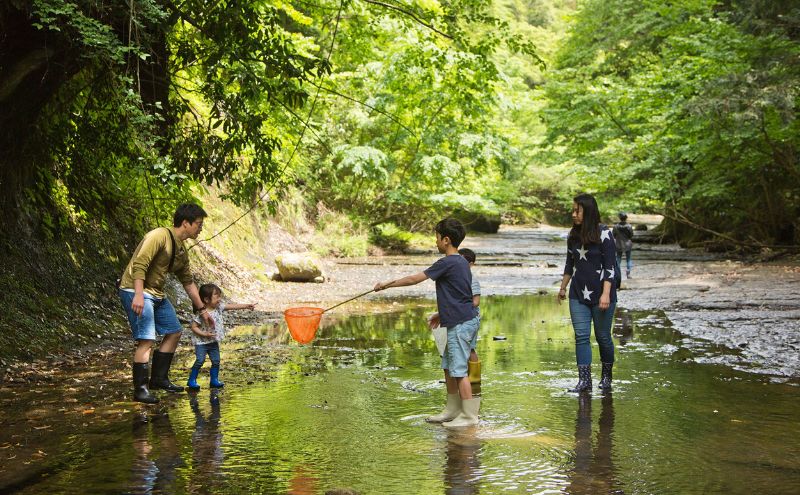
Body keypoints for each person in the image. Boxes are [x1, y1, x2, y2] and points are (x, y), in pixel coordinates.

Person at [374, 218, 480, 427]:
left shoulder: (447, 262)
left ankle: (469, 416)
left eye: (437, 238)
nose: (435, 242)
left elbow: (415, 279)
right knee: (449, 366)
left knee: (458, 369)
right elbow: (460, 295)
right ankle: (452, 409)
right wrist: (442, 315)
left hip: (460, 324)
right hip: (459, 320)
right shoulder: (461, 262)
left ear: (446, 240)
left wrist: (387, 284)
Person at [118, 203, 214, 404]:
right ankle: (141, 390)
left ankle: (159, 379)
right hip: (136, 290)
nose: (200, 228)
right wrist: (137, 294)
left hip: (156, 294)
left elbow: (188, 282)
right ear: (185, 223)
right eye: (198, 224)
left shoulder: (181, 250)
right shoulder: (159, 236)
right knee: (147, 339)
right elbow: (140, 263)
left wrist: (203, 310)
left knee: (174, 330)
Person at [557, 193, 617, 392]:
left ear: (588, 212)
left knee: (603, 337)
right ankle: (584, 382)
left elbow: (610, 268)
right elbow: (569, 264)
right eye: (573, 210)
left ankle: (607, 377)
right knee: (581, 336)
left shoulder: (605, 233)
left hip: (602, 293)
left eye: (577, 210)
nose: (573, 214)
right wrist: (563, 287)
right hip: (577, 293)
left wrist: (606, 294)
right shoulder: (572, 235)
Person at [187, 283, 255, 390]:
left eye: (220, 296)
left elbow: (232, 306)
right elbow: (193, 327)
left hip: (213, 342)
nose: (219, 299)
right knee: (200, 360)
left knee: (216, 361)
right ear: (206, 299)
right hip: (201, 343)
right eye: (217, 296)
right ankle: (192, 380)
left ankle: (214, 380)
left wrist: (246, 306)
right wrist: (204, 334)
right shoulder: (202, 313)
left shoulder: (218, 308)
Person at [458, 248, 481, 385]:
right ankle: (471, 377)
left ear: (470, 264)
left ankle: (473, 378)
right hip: (465, 317)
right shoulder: (461, 277)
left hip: (470, 318)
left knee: (468, 347)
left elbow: (476, 301)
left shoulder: (471, 279)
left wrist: (460, 307)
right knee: (469, 347)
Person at [612, 212, 634, 279]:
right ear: (626, 218)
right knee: (629, 259)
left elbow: (613, 235)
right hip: (628, 244)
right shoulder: (629, 226)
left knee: (618, 259)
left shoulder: (615, 226)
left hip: (618, 244)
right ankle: (628, 274)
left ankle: (618, 274)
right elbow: (631, 235)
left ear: (620, 218)